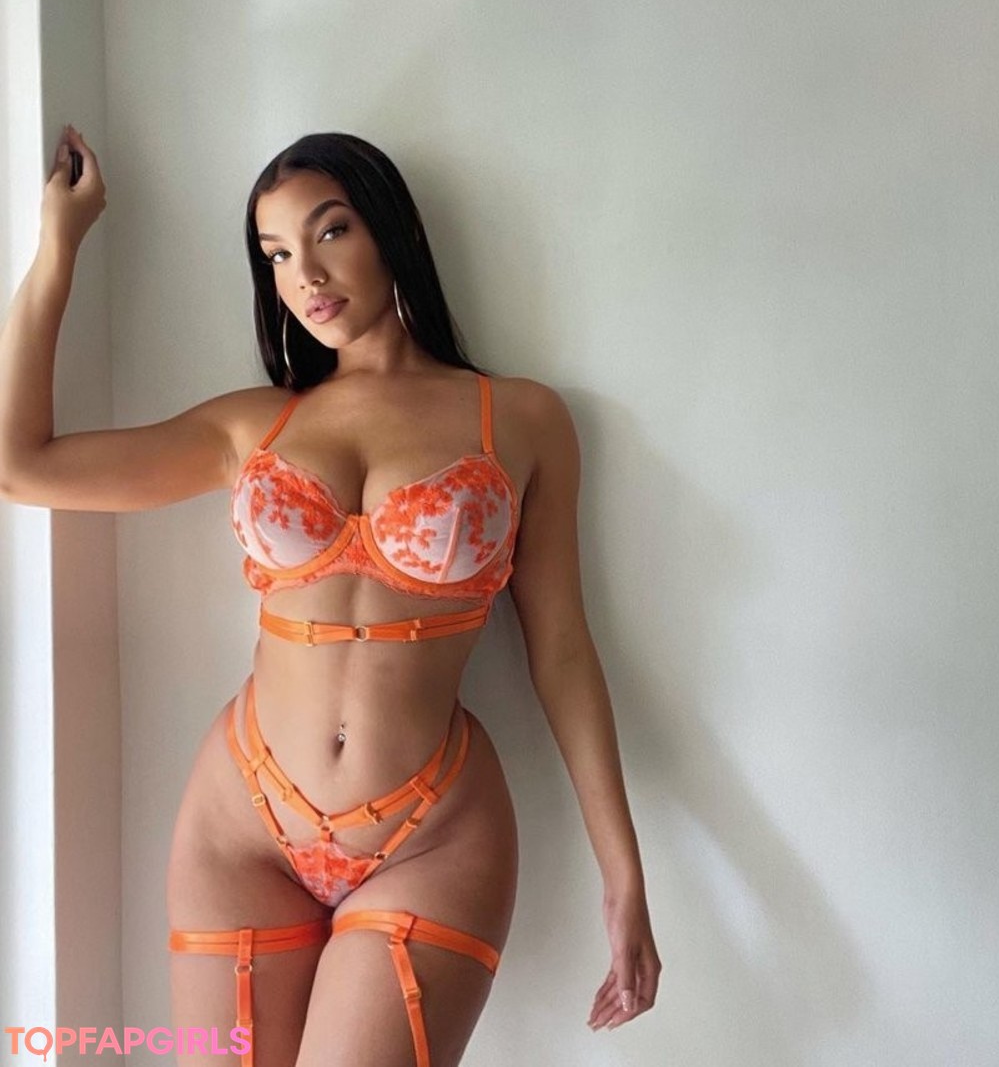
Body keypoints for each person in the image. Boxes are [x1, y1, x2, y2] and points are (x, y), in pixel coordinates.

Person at [0, 125, 661, 1066]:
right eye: (275, 254)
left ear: (393, 232)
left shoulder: (521, 418)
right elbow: (19, 466)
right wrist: (59, 246)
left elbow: (560, 649)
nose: (304, 274)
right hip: (241, 828)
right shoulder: (253, 426)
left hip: (432, 837)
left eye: (330, 231)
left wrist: (624, 875)